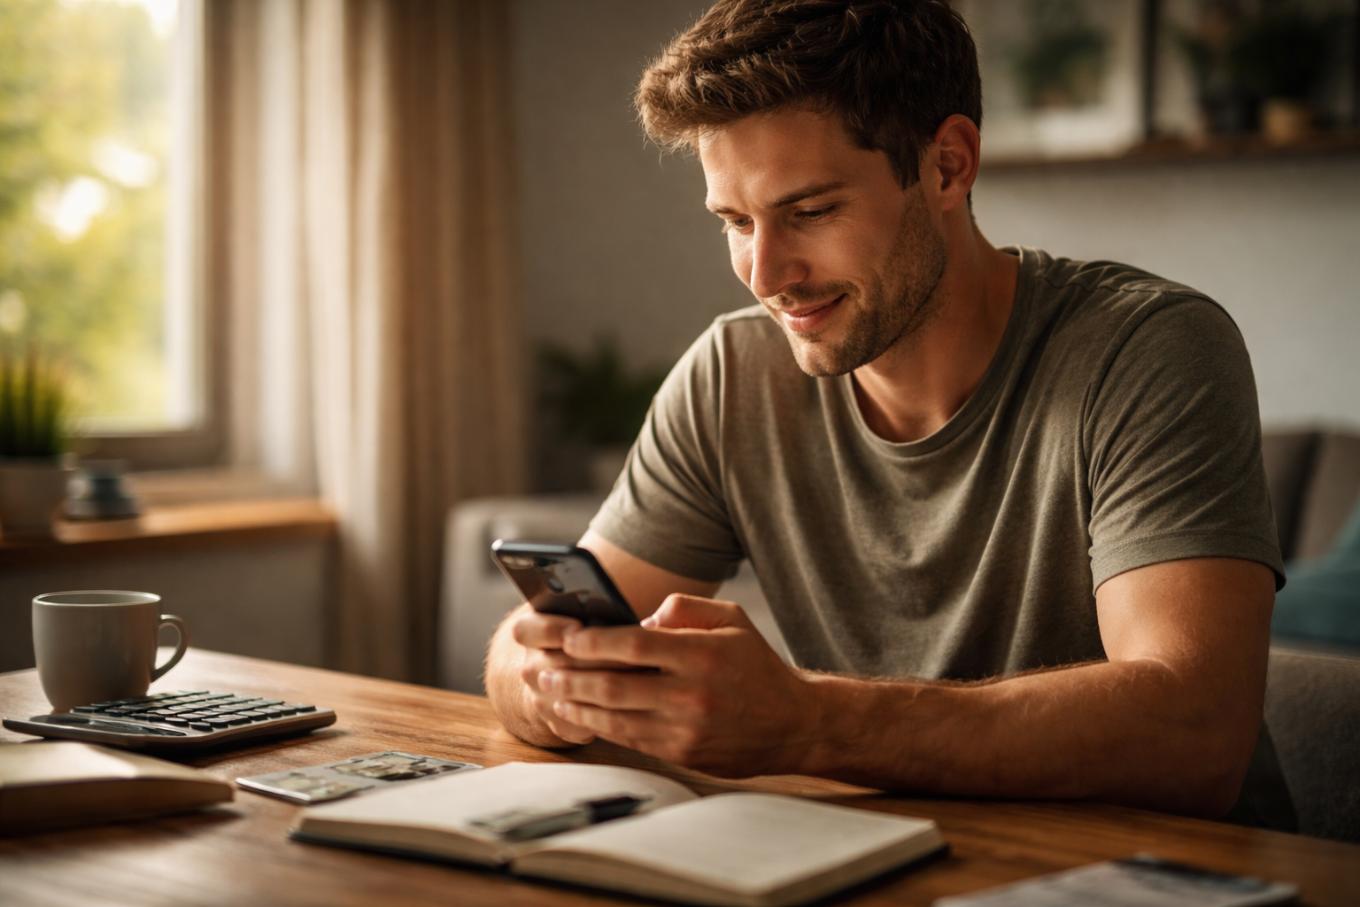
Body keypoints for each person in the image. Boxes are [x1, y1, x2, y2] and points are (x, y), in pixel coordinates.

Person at [484, 0, 1292, 827]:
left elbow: (1197, 732)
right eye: (735, 221)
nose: (766, 273)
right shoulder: (734, 376)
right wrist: (557, 679)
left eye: (810, 211)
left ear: (948, 165)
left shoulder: (1147, 350)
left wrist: (806, 720)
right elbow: (523, 646)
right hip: (893, 856)